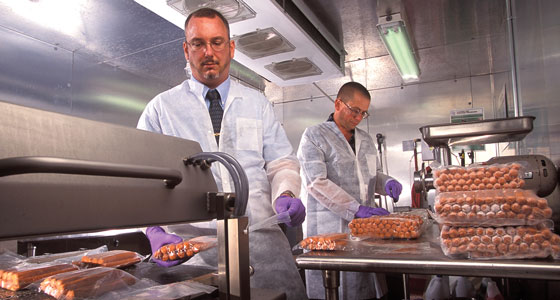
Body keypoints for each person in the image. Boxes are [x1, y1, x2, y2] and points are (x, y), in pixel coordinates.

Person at [137, 8, 307, 300]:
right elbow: (140, 177)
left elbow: (281, 162)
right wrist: (153, 230)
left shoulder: (257, 104)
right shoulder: (161, 109)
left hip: (262, 245)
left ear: (231, 48)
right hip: (192, 256)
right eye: (198, 43)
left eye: (217, 42)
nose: (208, 52)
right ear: (186, 50)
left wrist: (286, 194)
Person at [297, 81, 403, 299]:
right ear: (338, 103)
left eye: (363, 113)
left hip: (364, 230)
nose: (358, 117)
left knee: (364, 288)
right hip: (328, 230)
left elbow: (372, 175)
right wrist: (355, 209)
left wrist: (387, 182)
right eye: (355, 110)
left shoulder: (365, 140)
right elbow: (316, 182)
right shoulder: (314, 136)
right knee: (333, 289)